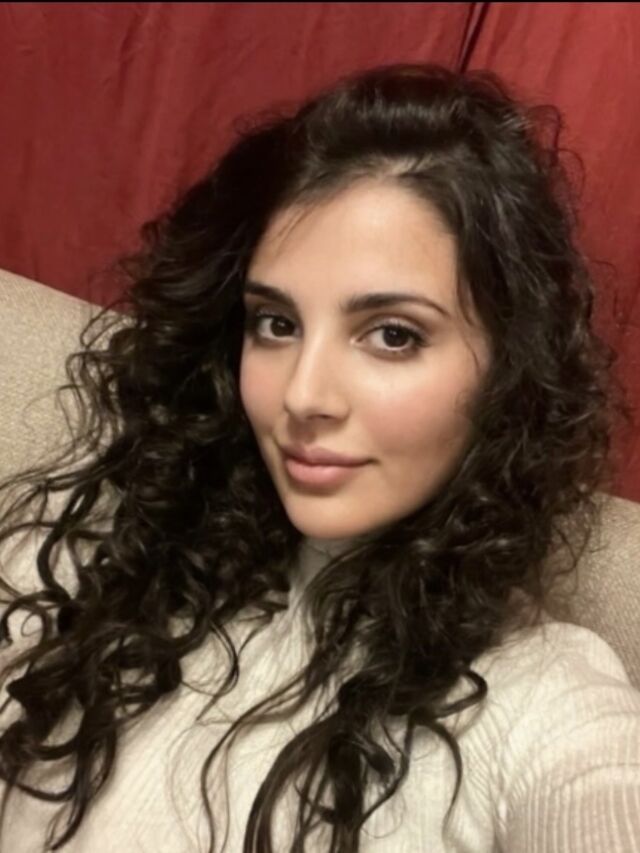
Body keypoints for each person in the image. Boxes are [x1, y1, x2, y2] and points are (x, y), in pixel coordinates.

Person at [0, 61, 639, 853]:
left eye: (392, 334)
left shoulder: (546, 700)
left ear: (508, 368)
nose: (303, 394)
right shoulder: (103, 546)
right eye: (276, 324)